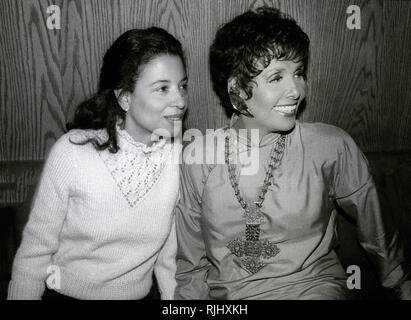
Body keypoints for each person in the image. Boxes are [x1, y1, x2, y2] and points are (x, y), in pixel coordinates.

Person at [174, 7, 410, 299]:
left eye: (298, 73)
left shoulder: (330, 146)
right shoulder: (199, 158)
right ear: (236, 90)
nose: (296, 90)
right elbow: (191, 261)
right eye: (276, 78)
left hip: (313, 289)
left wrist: (400, 283)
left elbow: (377, 228)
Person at [8, 27, 188, 300]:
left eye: (182, 86)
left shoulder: (180, 159)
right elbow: (35, 252)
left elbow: (169, 258)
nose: (180, 100)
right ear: (125, 98)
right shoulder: (73, 152)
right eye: (163, 88)